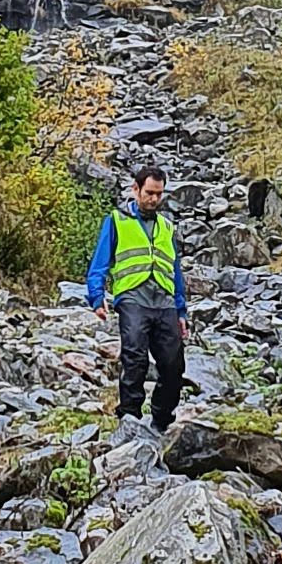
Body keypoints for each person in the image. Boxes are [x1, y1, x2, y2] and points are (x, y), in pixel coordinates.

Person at [82, 162, 189, 430]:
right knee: (135, 357)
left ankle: (162, 419)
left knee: (174, 365)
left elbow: (174, 271)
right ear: (136, 189)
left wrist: (181, 310)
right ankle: (129, 417)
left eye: (158, 194)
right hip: (132, 298)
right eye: (149, 193)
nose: (154, 199)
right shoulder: (117, 221)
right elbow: (99, 263)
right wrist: (97, 297)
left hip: (164, 301)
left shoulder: (166, 226)